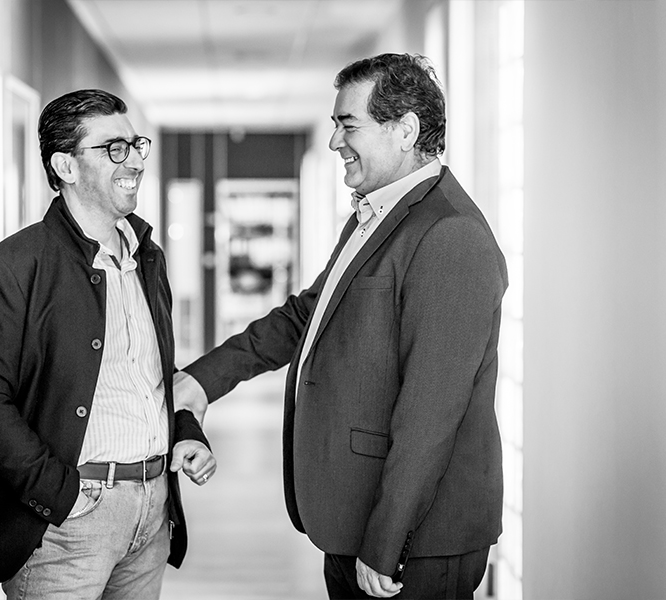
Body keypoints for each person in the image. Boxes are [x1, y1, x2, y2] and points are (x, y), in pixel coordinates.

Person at [175, 53, 507, 599]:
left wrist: (386, 540)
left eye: (348, 125)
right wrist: (203, 379)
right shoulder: (377, 214)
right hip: (356, 522)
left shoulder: (450, 235)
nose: (335, 141)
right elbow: (307, 316)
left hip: (416, 543)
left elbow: (432, 410)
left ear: (405, 130)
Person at [0, 89, 216, 599]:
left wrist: (186, 432)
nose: (134, 162)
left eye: (136, 145)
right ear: (65, 166)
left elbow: (150, 377)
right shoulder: (12, 267)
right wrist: (57, 493)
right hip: (69, 523)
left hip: (153, 511)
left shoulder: (146, 258)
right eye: (113, 149)